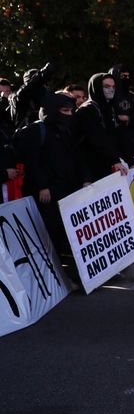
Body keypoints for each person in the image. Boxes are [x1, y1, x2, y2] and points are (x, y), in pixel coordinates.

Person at [14, 92, 84, 283]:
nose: (69, 114)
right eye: (65, 110)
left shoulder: (65, 131)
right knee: (52, 234)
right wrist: (43, 186)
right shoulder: (37, 131)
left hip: (64, 190)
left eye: (71, 110)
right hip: (47, 194)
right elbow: (32, 161)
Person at [73, 73, 128, 184]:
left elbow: (115, 137)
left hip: (103, 167)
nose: (111, 90)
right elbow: (96, 138)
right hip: (89, 170)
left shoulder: (108, 109)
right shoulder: (87, 110)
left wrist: (130, 161)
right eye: (106, 86)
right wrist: (114, 159)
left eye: (113, 87)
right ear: (97, 87)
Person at [108, 64, 134, 165]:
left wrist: (129, 119)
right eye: (122, 76)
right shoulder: (109, 97)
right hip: (114, 142)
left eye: (128, 76)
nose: (126, 79)